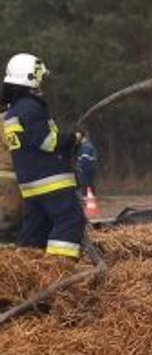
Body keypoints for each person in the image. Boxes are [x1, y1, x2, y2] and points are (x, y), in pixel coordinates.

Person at [2, 53, 86, 262]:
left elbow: (30, 142)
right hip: (50, 181)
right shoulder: (31, 107)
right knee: (70, 220)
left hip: (30, 184)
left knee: (35, 229)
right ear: (31, 77)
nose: (43, 83)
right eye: (40, 77)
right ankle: (58, 268)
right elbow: (48, 142)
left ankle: (26, 268)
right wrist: (73, 138)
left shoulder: (13, 111)